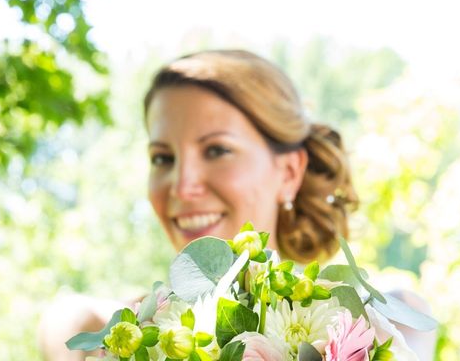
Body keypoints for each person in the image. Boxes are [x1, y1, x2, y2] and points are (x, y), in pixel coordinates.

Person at [38, 49, 436, 360]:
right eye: (163, 158)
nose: (181, 185)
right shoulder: (105, 332)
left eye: (216, 150)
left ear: (289, 172)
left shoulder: (389, 322)